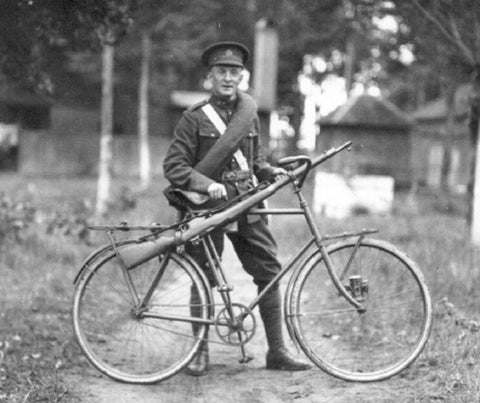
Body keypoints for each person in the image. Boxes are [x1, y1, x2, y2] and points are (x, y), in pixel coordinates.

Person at [163, 41, 310, 376]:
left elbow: (254, 159)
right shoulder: (193, 118)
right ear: (209, 77)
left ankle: (277, 351)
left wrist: (269, 171)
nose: (228, 78)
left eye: (234, 72)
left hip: (247, 202)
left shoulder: (249, 115)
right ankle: (198, 353)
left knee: (269, 272)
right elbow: (174, 168)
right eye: (221, 72)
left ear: (241, 77)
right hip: (207, 208)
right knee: (202, 277)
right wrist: (204, 184)